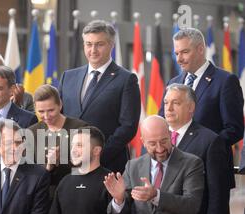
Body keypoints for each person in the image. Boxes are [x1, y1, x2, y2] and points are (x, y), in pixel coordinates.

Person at [163, 83, 231, 214]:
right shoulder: (159, 139)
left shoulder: (210, 140)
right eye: (166, 103)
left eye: (175, 103)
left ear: (191, 108)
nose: (169, 108)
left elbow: (218, 190)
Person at [159, 27, 244, 193]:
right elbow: (163, 120)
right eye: (176, 53)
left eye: (184, 52)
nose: (179, 59)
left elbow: (234, 129)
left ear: (200, 49)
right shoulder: (173, 82)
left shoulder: (226, 81)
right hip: (173, 171)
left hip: (211, 172)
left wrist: (202, 148)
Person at [59, 20, 140, 174]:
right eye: (88, 44)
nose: (93, 50)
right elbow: (59, 118)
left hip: (107, 165)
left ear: (111, 45)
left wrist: (97, 155)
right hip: (70, 165)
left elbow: (128, 127)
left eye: (99, 44)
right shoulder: (68, 77)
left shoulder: (126, 80)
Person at [28, 84, 87, 197]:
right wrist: (48, 165)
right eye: (41, 111)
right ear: (35, 108)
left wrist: (65, 159)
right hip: (43, 197)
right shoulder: (31, 132)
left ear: (60, 105)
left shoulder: (80, 128)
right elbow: (28, 172)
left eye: (51, 110)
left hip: (74, 193)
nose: (46, 116)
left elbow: (88, 164)